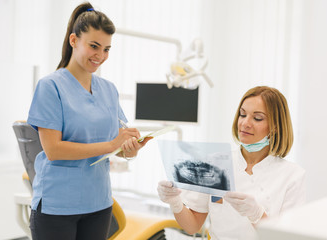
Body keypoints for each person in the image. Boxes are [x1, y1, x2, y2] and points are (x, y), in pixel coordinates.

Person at [27, 2, 151, 240]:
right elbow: (53, 150)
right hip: (57, 205)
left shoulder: (109, 90)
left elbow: (116, 148)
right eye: (94, 46)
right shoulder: (50, 86)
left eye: (106, 49)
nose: (100, 56)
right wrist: (112, 144)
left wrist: (130, 149)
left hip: (98, 203)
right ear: (74, 41)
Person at [157, 86, 306, 240]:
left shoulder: (292, 175)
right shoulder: (215, 163)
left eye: (257, 118)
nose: (245, 123)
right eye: (242, 114)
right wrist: (175, 202)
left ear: (275, 127)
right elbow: (192, 226)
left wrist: (258, 215)